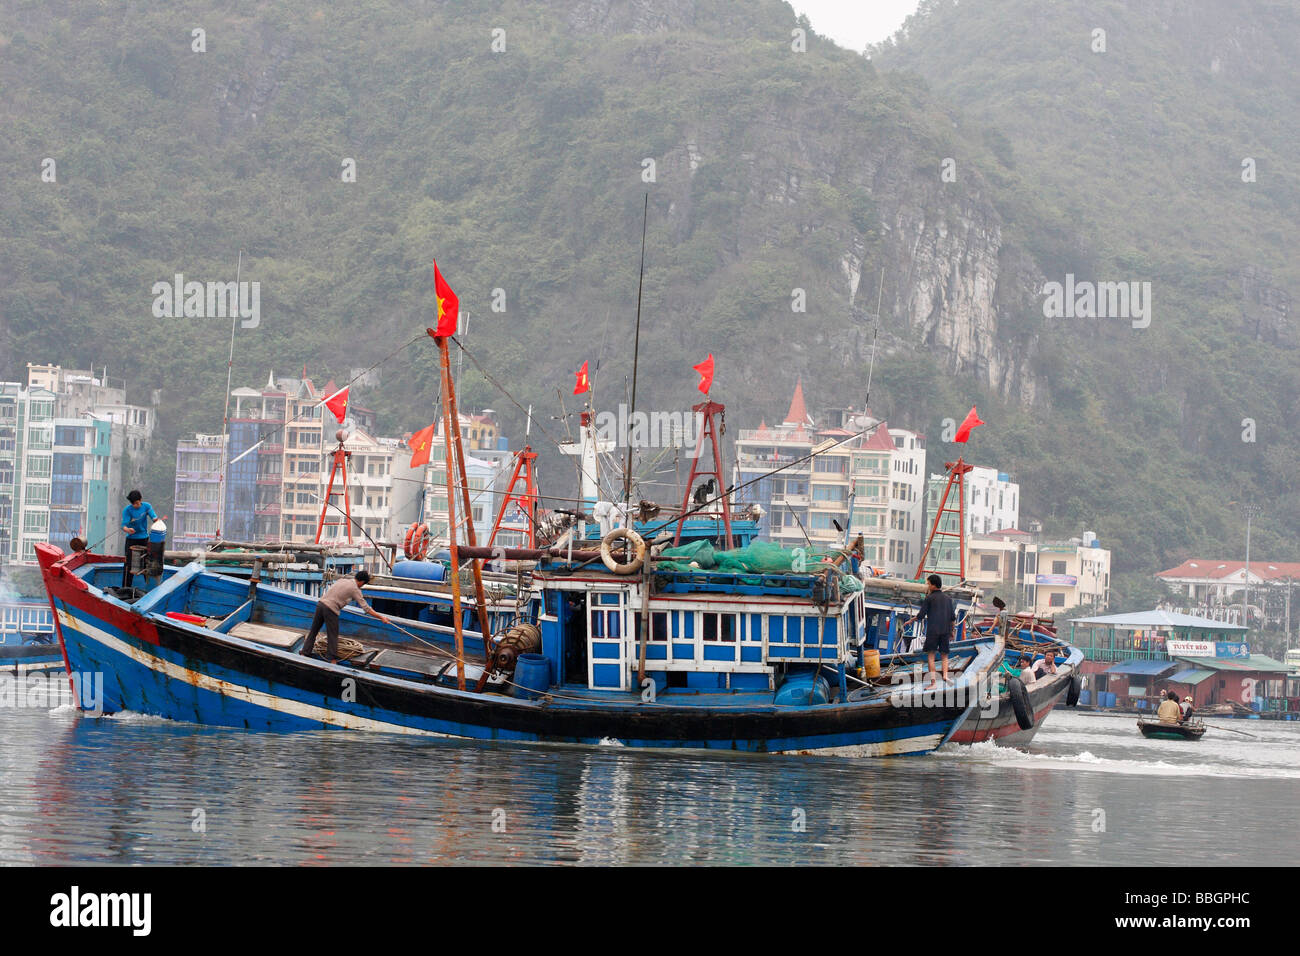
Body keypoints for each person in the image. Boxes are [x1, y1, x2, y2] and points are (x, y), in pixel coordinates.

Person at [300, 570, 390, 660]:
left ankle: (305, 652)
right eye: (363, 584)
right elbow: (366, 608)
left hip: (321, 604)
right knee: (333, 634)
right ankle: (331, 659)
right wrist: (381, 617)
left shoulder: (342, 580)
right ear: (362, 582)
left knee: (314, 630)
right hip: (331, 609)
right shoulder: (355, 589)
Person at [905, 574, 956, 688]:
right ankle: (945, 676)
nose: (927, 586)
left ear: (933, 585)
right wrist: (952, 631)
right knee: (944, 656)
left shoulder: (929, 598)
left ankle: (933, 683)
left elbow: (921, 615)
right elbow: (952, 618)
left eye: (928, 584)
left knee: (931, 656)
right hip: (945, 631)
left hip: (933, 631)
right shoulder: (948, 599)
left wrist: (910, 621)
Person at [120, 490, 158, 590]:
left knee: (146, 562)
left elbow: (153, 516)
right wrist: (128, 529)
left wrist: (155, 520)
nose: (135, 505)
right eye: (133, 503)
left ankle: (150, 587)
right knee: (129, 564)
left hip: (144, 539)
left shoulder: (146, 506)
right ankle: (125, 587)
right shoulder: (127, 510)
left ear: (140, 500)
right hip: (131, 539)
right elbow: (123, 526)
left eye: (137, 503)